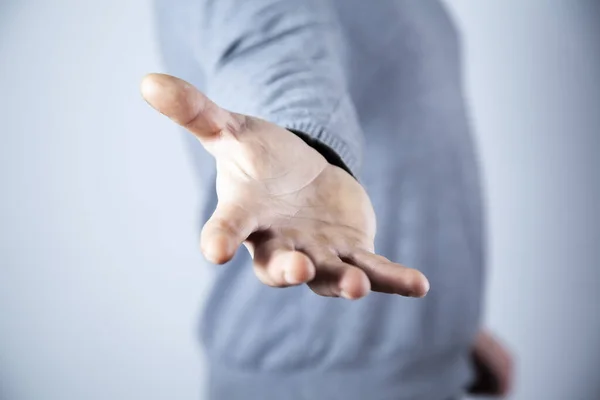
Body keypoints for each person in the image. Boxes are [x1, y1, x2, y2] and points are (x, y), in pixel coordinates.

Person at [141, 0, 513, 399]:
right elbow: (272, 40)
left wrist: (446, 323)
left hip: (412, 356)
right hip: (315, 368)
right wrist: (303, 139)